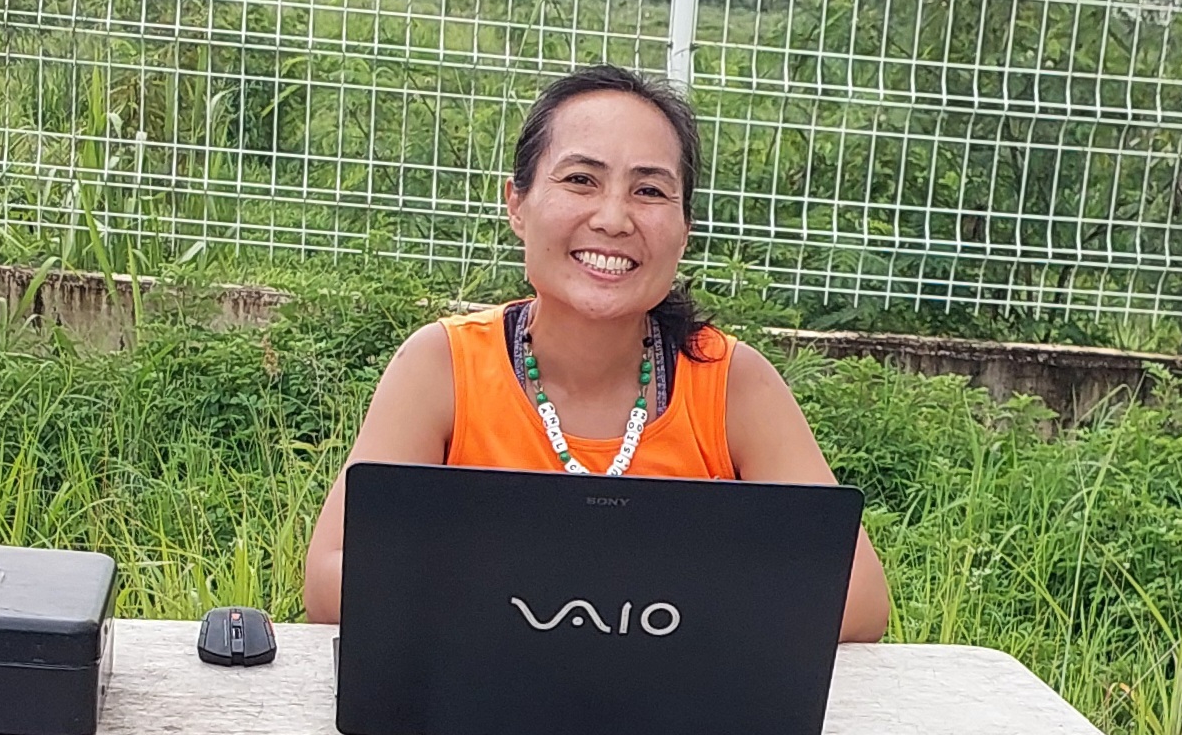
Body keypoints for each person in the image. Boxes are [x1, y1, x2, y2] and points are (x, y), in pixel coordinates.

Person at [303, 64, 890, 641]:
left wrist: (607, 609)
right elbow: (332, 578)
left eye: (649, 190)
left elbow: (858, 598)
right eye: (581, 179)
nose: (613, 219)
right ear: (517, 204)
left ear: (685, 228)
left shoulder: (730, 382)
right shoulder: (442, 366)